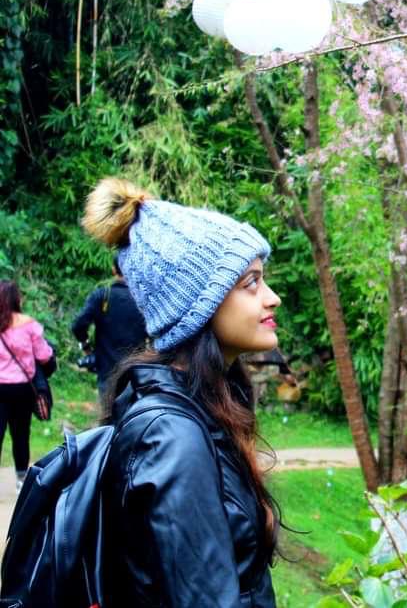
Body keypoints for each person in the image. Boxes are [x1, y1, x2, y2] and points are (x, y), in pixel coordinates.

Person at [82, 176, 281, 607]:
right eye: (251, 282)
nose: (272, 298)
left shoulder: (203, 408)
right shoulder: (172, 436)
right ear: (199, 304)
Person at [0, 280, 54, 492]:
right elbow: (44, 355)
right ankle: (21, 480)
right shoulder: (29, 324)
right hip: (23, 389)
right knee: (20, 434)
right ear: (17, 299)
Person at [70, 258, 147, 394]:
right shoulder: (142, 299)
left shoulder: (102, 295)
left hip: (107, 370)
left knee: (108, 411)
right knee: (132, 411)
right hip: (136, 370)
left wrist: (86, 346)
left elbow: (78, 325)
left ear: (113, 269)